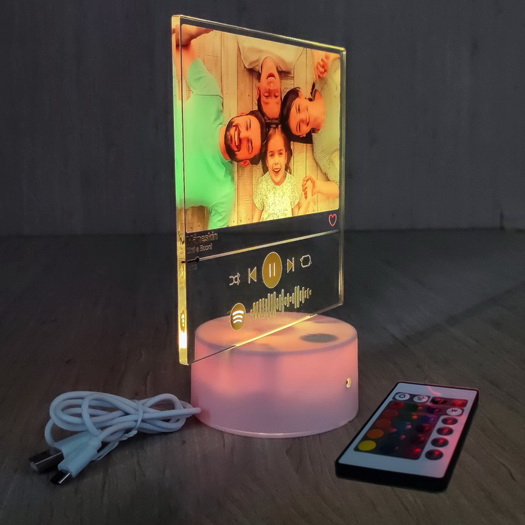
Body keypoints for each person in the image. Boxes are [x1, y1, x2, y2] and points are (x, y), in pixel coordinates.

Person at [172, 26, 267, 229]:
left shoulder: (224, 191)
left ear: (245, 162)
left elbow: (214, 244)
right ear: (241, 115)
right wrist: (193, 32)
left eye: (249, 145)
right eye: (247, 125)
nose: (242, 135)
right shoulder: (211, 95)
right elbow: (179, 43)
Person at [281, 51, 340, 200]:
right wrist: (317, 187)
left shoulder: (322, 79)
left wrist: (331, 57)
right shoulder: (320, 150)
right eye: (299, 126)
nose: (303, 117)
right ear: (301, 134)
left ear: (301, 95)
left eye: (298, 108)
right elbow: (341, 186)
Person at [237, 36, 303, 122]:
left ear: (258, 91)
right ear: (280, 89)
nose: (271, 88)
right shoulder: (289, 59)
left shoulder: (249, 56)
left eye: (266, 95)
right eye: (276, 95)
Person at [253, 127, 311, 221]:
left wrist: (308, 200)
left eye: (280, 154)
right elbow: (255, 221)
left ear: (285, 157)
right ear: (266, 160)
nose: (276, 161)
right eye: (271, 155)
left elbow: (297, 219)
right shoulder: (262, 183)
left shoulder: (291, 182)